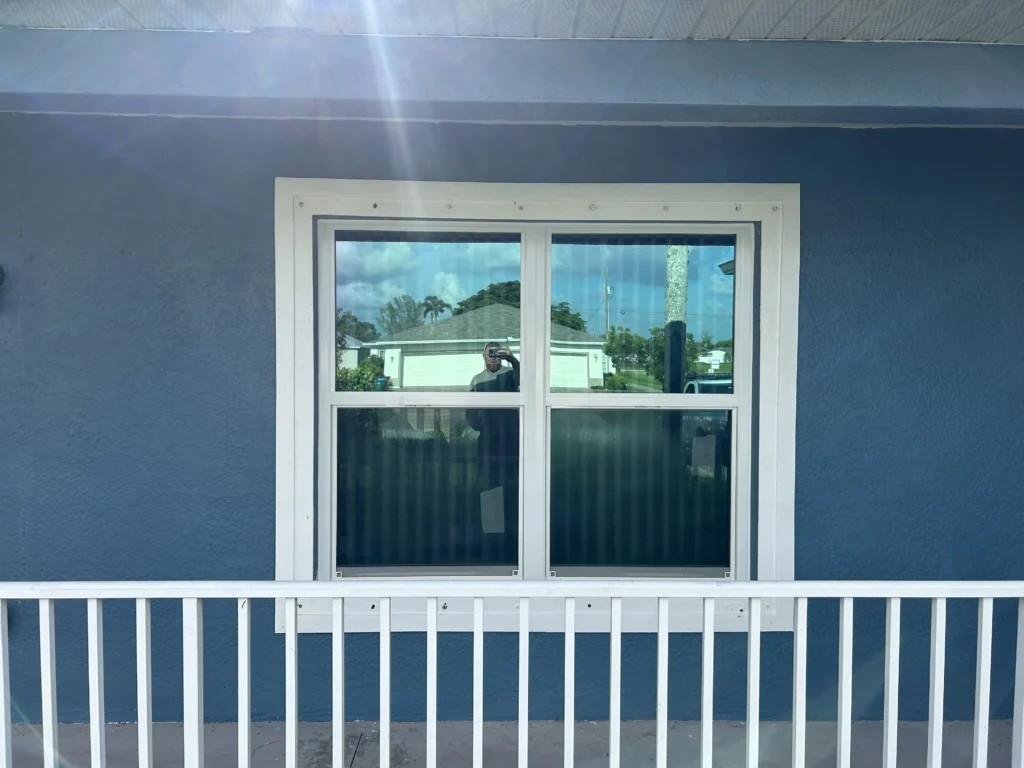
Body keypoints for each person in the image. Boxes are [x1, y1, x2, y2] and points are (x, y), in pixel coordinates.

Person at [465, 342, 519, 562]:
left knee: (513, 487)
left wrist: (512, 359)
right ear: (483, 356)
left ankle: (514, 538)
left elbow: (527, 379)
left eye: (497, 354)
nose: (494, 358)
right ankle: (491, 540)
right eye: (490, 354)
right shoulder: (477, 380)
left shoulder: (509, 375)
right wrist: (482, 427)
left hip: (511, 440)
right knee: (489, 488)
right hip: (488, 441)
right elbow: (470, 412)